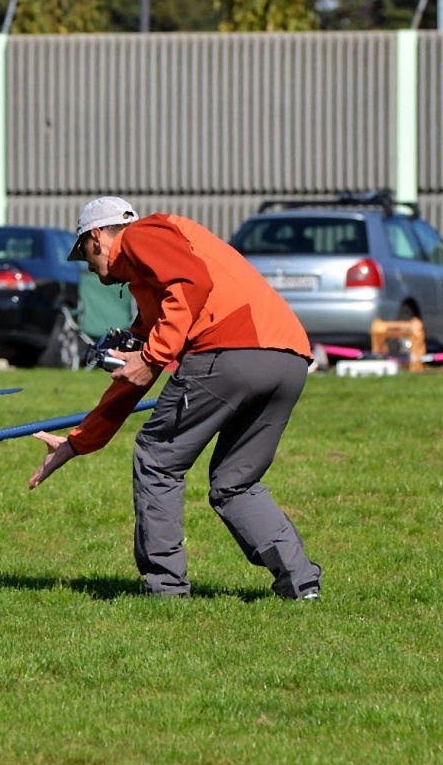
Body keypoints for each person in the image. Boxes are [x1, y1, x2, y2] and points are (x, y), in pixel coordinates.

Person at [27, 196, 322, 601]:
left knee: (157, 459)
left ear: (96, 237)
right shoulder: (155, 284)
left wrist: (152, 356)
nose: (90, 268)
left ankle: (165, 589)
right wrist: (78, 442)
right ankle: (302, 586)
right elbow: (134, 379)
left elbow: (192, 283)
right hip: (287, 359)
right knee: (235, 481)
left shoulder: (142, 235)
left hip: (229, 350)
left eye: (84, 255)